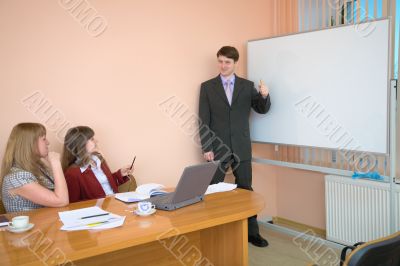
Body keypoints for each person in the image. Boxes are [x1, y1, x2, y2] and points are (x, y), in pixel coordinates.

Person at [198, 46, 271, 247]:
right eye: (220, 61)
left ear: (235, 63)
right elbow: (203, 120)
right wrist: (207, 147)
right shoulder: (207, 87)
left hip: (241, 146)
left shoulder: (247, 86)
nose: (223, 65)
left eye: (227, 62)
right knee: (212, 191)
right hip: (216, 148)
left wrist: (264, 95)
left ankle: (252, 233)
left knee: (246, 190)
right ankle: (214, 233)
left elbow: (261, 109)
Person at [1, 123, 69, 212]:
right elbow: (61, 201)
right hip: (34, 225)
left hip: (48, 221)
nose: (48, 143)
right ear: (30, 144)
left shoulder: (38, 167)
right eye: (44, 139)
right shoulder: (17, 177)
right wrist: (56, 163)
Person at [61, 126, 132, 203]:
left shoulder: (98, 159)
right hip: (100, 212)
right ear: (81, 144)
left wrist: (120, 174)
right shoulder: (73, 173)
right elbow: (73, 205)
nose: (96, 141)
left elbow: (106, 185)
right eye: (92, 139)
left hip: (116, 202)